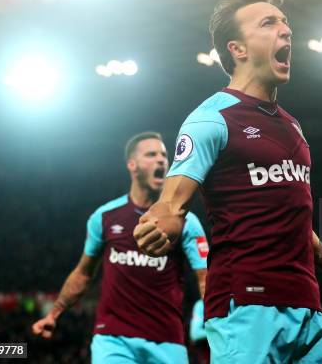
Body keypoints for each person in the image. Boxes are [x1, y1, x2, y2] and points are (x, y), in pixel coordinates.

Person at [133, 0, 322, 363]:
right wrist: (160, 223)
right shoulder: (211, 119)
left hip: (307, 310)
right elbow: (172, 203)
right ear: (238, 49)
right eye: (268, 23)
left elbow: (291, 215)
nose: (286, 29)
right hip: (246, 307)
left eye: (285, 21)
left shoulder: (293, 126)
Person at [32, 132, 208, 364]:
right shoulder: (104, 217)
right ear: (132, 165)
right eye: (151, 154)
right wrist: (55, 313)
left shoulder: (186, 222)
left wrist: (220, 325)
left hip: (168, 340)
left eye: (164, 155)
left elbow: (206, 277)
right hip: (113, 339)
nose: (161, 160)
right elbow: (84, 273)